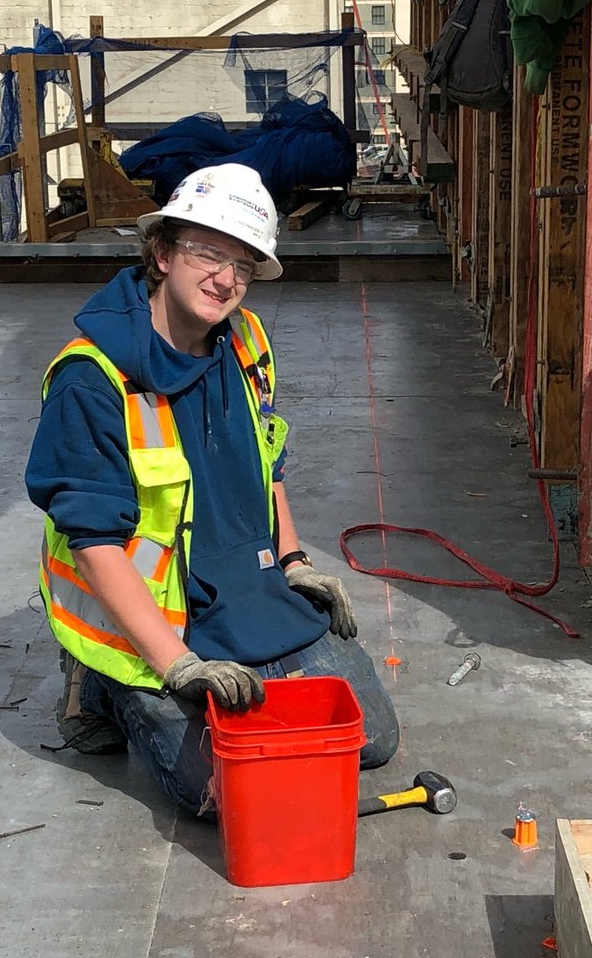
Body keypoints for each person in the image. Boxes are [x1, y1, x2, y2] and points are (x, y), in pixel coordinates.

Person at [25, 163, 399, 816]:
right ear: (163, 252)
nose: (226, 279)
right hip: (157, 622)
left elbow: (267, 462)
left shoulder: (246, 341)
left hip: (249, 591)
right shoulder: (92, 379)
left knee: (370, 739)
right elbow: (93, 542)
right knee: (227, 792)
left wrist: (293, 561)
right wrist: (178, 667)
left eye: (244, 264)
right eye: (207, 252)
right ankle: (103, 683)